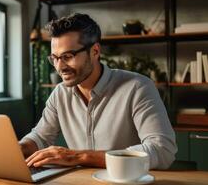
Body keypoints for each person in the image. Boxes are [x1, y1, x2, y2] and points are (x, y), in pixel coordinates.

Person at [20, 13, 177, 170]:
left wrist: (79, 157)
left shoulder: (138, 87)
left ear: (95, 51)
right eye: (54, 58)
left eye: (68, 56)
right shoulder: (60, 94)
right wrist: (18, 149)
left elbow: (162, 150)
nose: (59, 67)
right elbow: (40, 137)